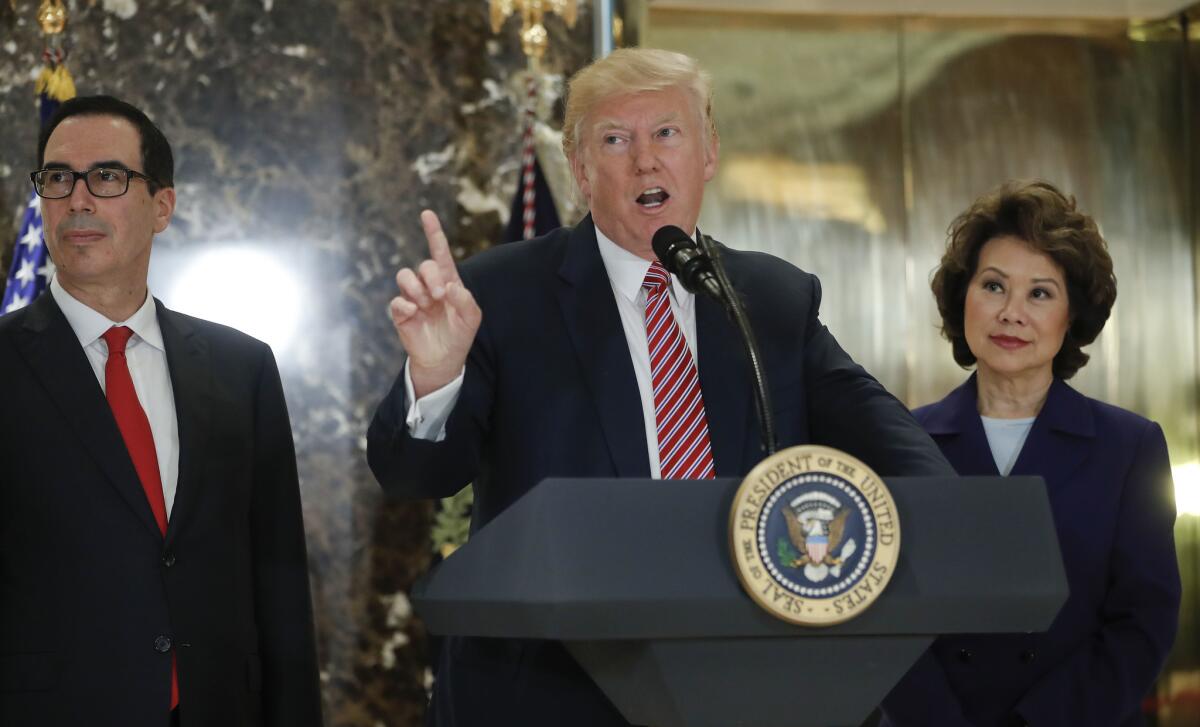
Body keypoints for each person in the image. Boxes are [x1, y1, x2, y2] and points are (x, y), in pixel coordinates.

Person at [367, 48, 953, 727]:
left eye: (667, 133)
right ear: (582, 172)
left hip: (742, 684)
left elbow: (898, 449)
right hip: (553, 694)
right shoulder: (502, 291)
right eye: (616, 140)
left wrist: (948, 529)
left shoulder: (770, 298)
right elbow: (414, 474)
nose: (646, 160)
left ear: (708, 153)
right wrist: (436, 376)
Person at [0, 96, 322, 726]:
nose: (79, 200)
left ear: (163, 207)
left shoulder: (241, 367)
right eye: (58, 178)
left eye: (108, 176)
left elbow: (278, 580)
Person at [881, 180, 1180, 727]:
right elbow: (882, 620)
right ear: (962, 298)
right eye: (993, 286)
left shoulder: (1129, 448)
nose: (1011, 313)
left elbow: (1144, 623)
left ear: (1072, 317)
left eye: (1040, 293)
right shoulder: (901, 445)